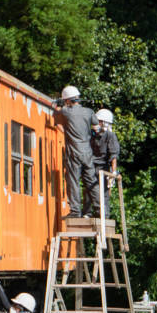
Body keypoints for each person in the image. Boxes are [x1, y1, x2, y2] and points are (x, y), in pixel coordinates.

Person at [53, 85, 98, 218]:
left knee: (73, 180)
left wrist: (56, 105)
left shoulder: (65, 112)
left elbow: (55, 115)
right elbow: (95, 126)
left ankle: (75, 211)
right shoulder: (89, 112)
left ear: (67, 100)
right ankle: (102, 211)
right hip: (87, 152)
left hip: (74, 152)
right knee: (91, 181)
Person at [86, 108, 120, 220]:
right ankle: (88, 213)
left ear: (104, 123)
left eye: (99, 121)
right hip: (91, 166)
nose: (96, 123)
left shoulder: (110, 136)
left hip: (103, 167)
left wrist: (113, 173)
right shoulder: (91, 135)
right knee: (88, 189)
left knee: (103, 192)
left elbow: (113, 155)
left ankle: (104, 215)